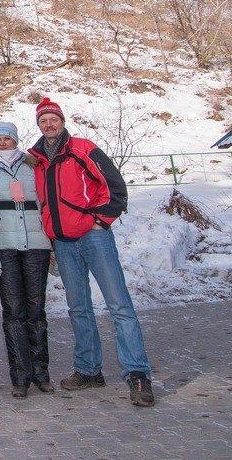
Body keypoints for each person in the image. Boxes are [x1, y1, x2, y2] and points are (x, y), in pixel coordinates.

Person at [28, 97, 155, 407]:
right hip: (64, 243)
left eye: (52, 118)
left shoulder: (83, 148)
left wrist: (100, 220)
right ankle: (88, 370)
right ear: (39, 125)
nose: (49, 124)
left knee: (119, 304)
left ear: (61, 120)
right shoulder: (37, 160)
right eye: (43, 120)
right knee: (78, 308)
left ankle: (137, 374)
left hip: (93, 237)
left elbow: (115, 186)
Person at [0, 120, 53, 398]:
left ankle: (41, 372)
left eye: (7, 138)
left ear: (16, 139)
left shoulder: (33, 165)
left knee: (36, 309)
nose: (3, 142)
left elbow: (45, 200)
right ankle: (19, 376)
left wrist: (51, 240)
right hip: (3, 244)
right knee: (13, 311)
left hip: (36, 243)